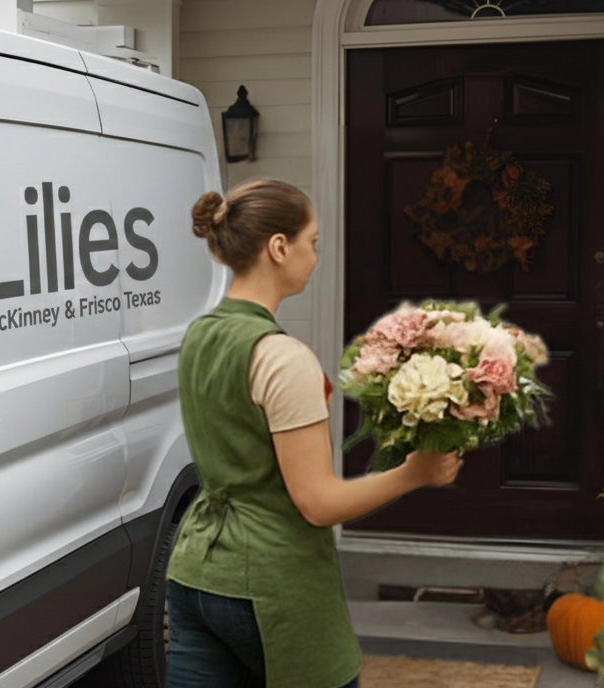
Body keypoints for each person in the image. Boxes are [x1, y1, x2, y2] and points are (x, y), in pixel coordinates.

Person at [165, 178, 462, 688]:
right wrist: (415, 472)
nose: (316, 256)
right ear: (279, 248)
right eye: (313, 241)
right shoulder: (282, 357)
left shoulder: (198, 335)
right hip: (270, 581)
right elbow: (318, 503)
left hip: (194, 570)